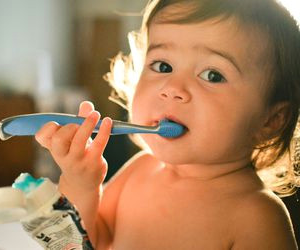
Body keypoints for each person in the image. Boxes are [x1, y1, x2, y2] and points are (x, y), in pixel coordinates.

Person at [35, 0, 300, 248]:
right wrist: (80, 184)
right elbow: (82, 243)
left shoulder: (257, 218)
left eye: (212, 75)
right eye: (162, 66)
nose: (172, 88)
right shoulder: (140, 171)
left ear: (270, 120)